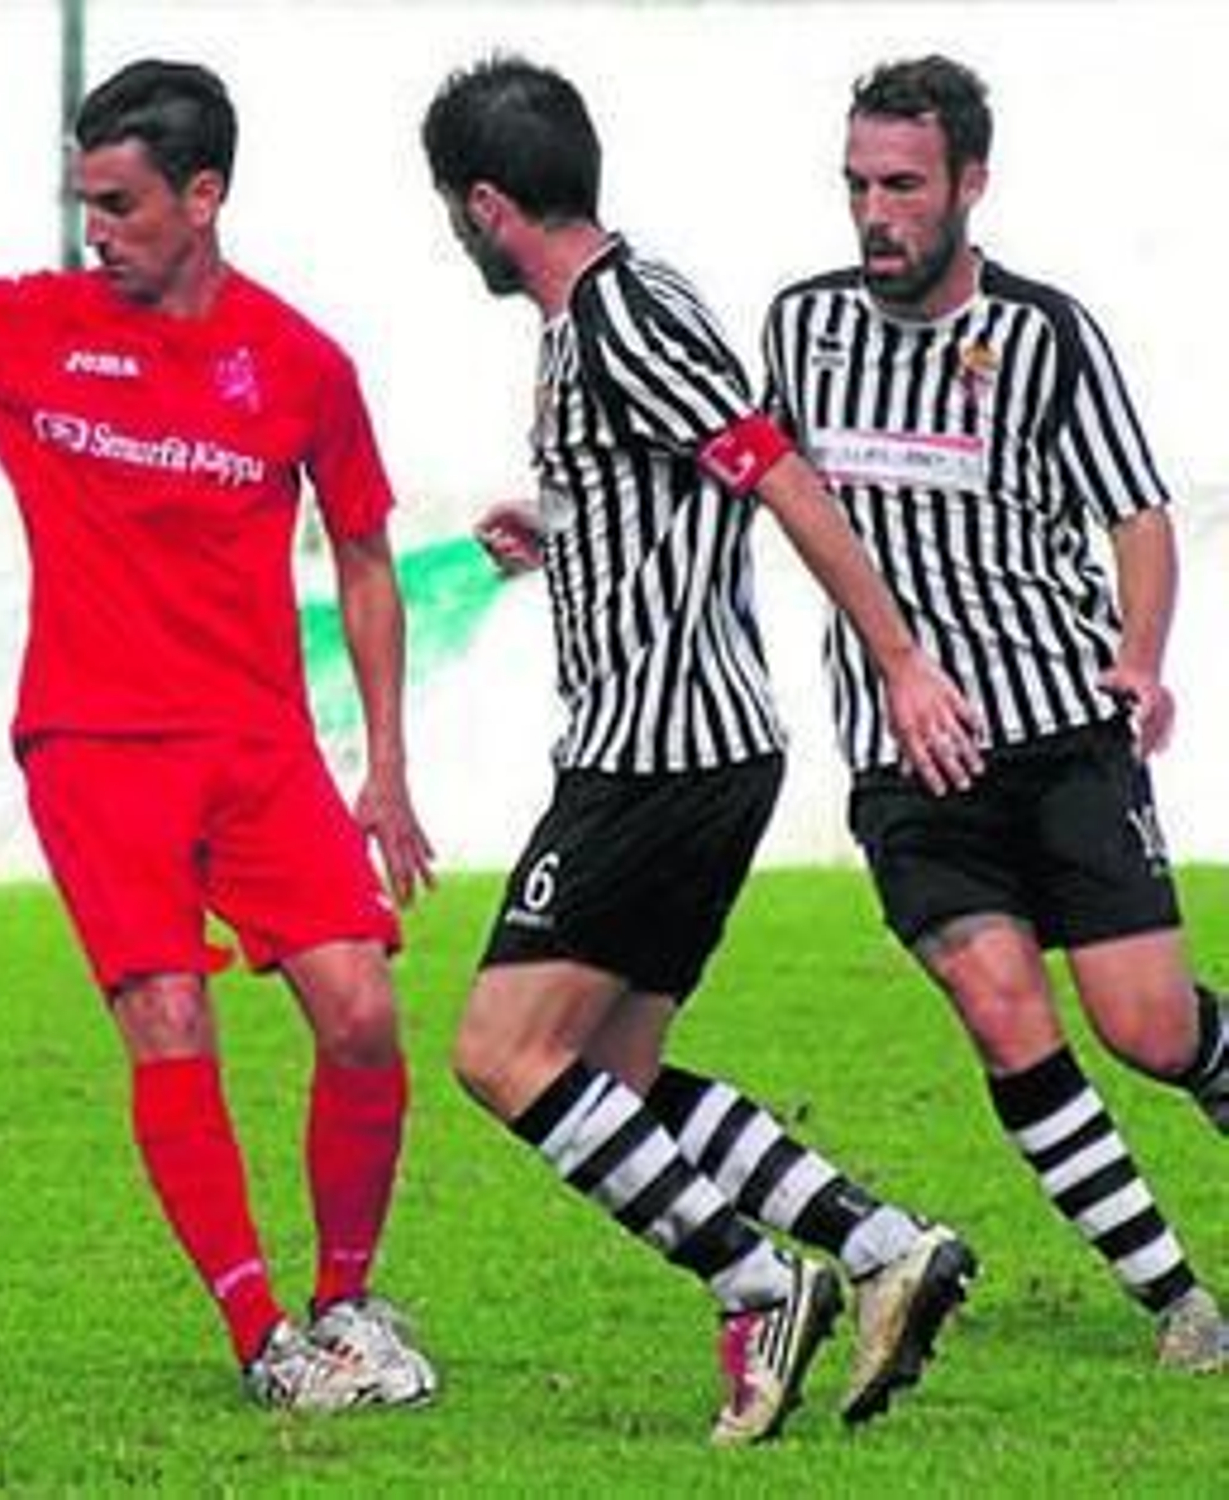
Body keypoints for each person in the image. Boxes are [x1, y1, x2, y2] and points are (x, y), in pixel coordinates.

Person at [0, 58, 440, 1412]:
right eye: (85, 202)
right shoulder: (33, 326)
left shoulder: (301, 362)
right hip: (93, 743)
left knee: (364, 1013)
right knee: (168, 1016)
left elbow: (366, 558)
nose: (97, 230)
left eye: (121, 205)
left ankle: (347, 1303)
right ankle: (264, 1339)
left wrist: (383, 765)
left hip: (259, 744)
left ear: (204, 197)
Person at [421, 54, 984, 1447]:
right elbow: (684, 486)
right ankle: (879, 1248)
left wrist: (902, 659)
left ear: (486, 205)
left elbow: (775, 474)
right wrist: (563, 527)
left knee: (499, 1052)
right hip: (690, 753)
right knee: (607, 1085)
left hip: (654, 757)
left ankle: (755, 1286)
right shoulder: (604, 317)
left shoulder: (621, 316)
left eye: (450, 207)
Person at [761, 53, 1229, 1372]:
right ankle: (1182, 1307)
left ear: (971, 183)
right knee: (1003, 1011)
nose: (875, 214)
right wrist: (556, 518)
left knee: (1149, 1027)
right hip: (908, 761)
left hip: (1064, 738)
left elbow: (1137, 513)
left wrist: (1142, 660)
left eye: (903, 186)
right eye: (858, 185)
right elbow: (744, 468)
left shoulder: (1044, 336)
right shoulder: (802, 326)